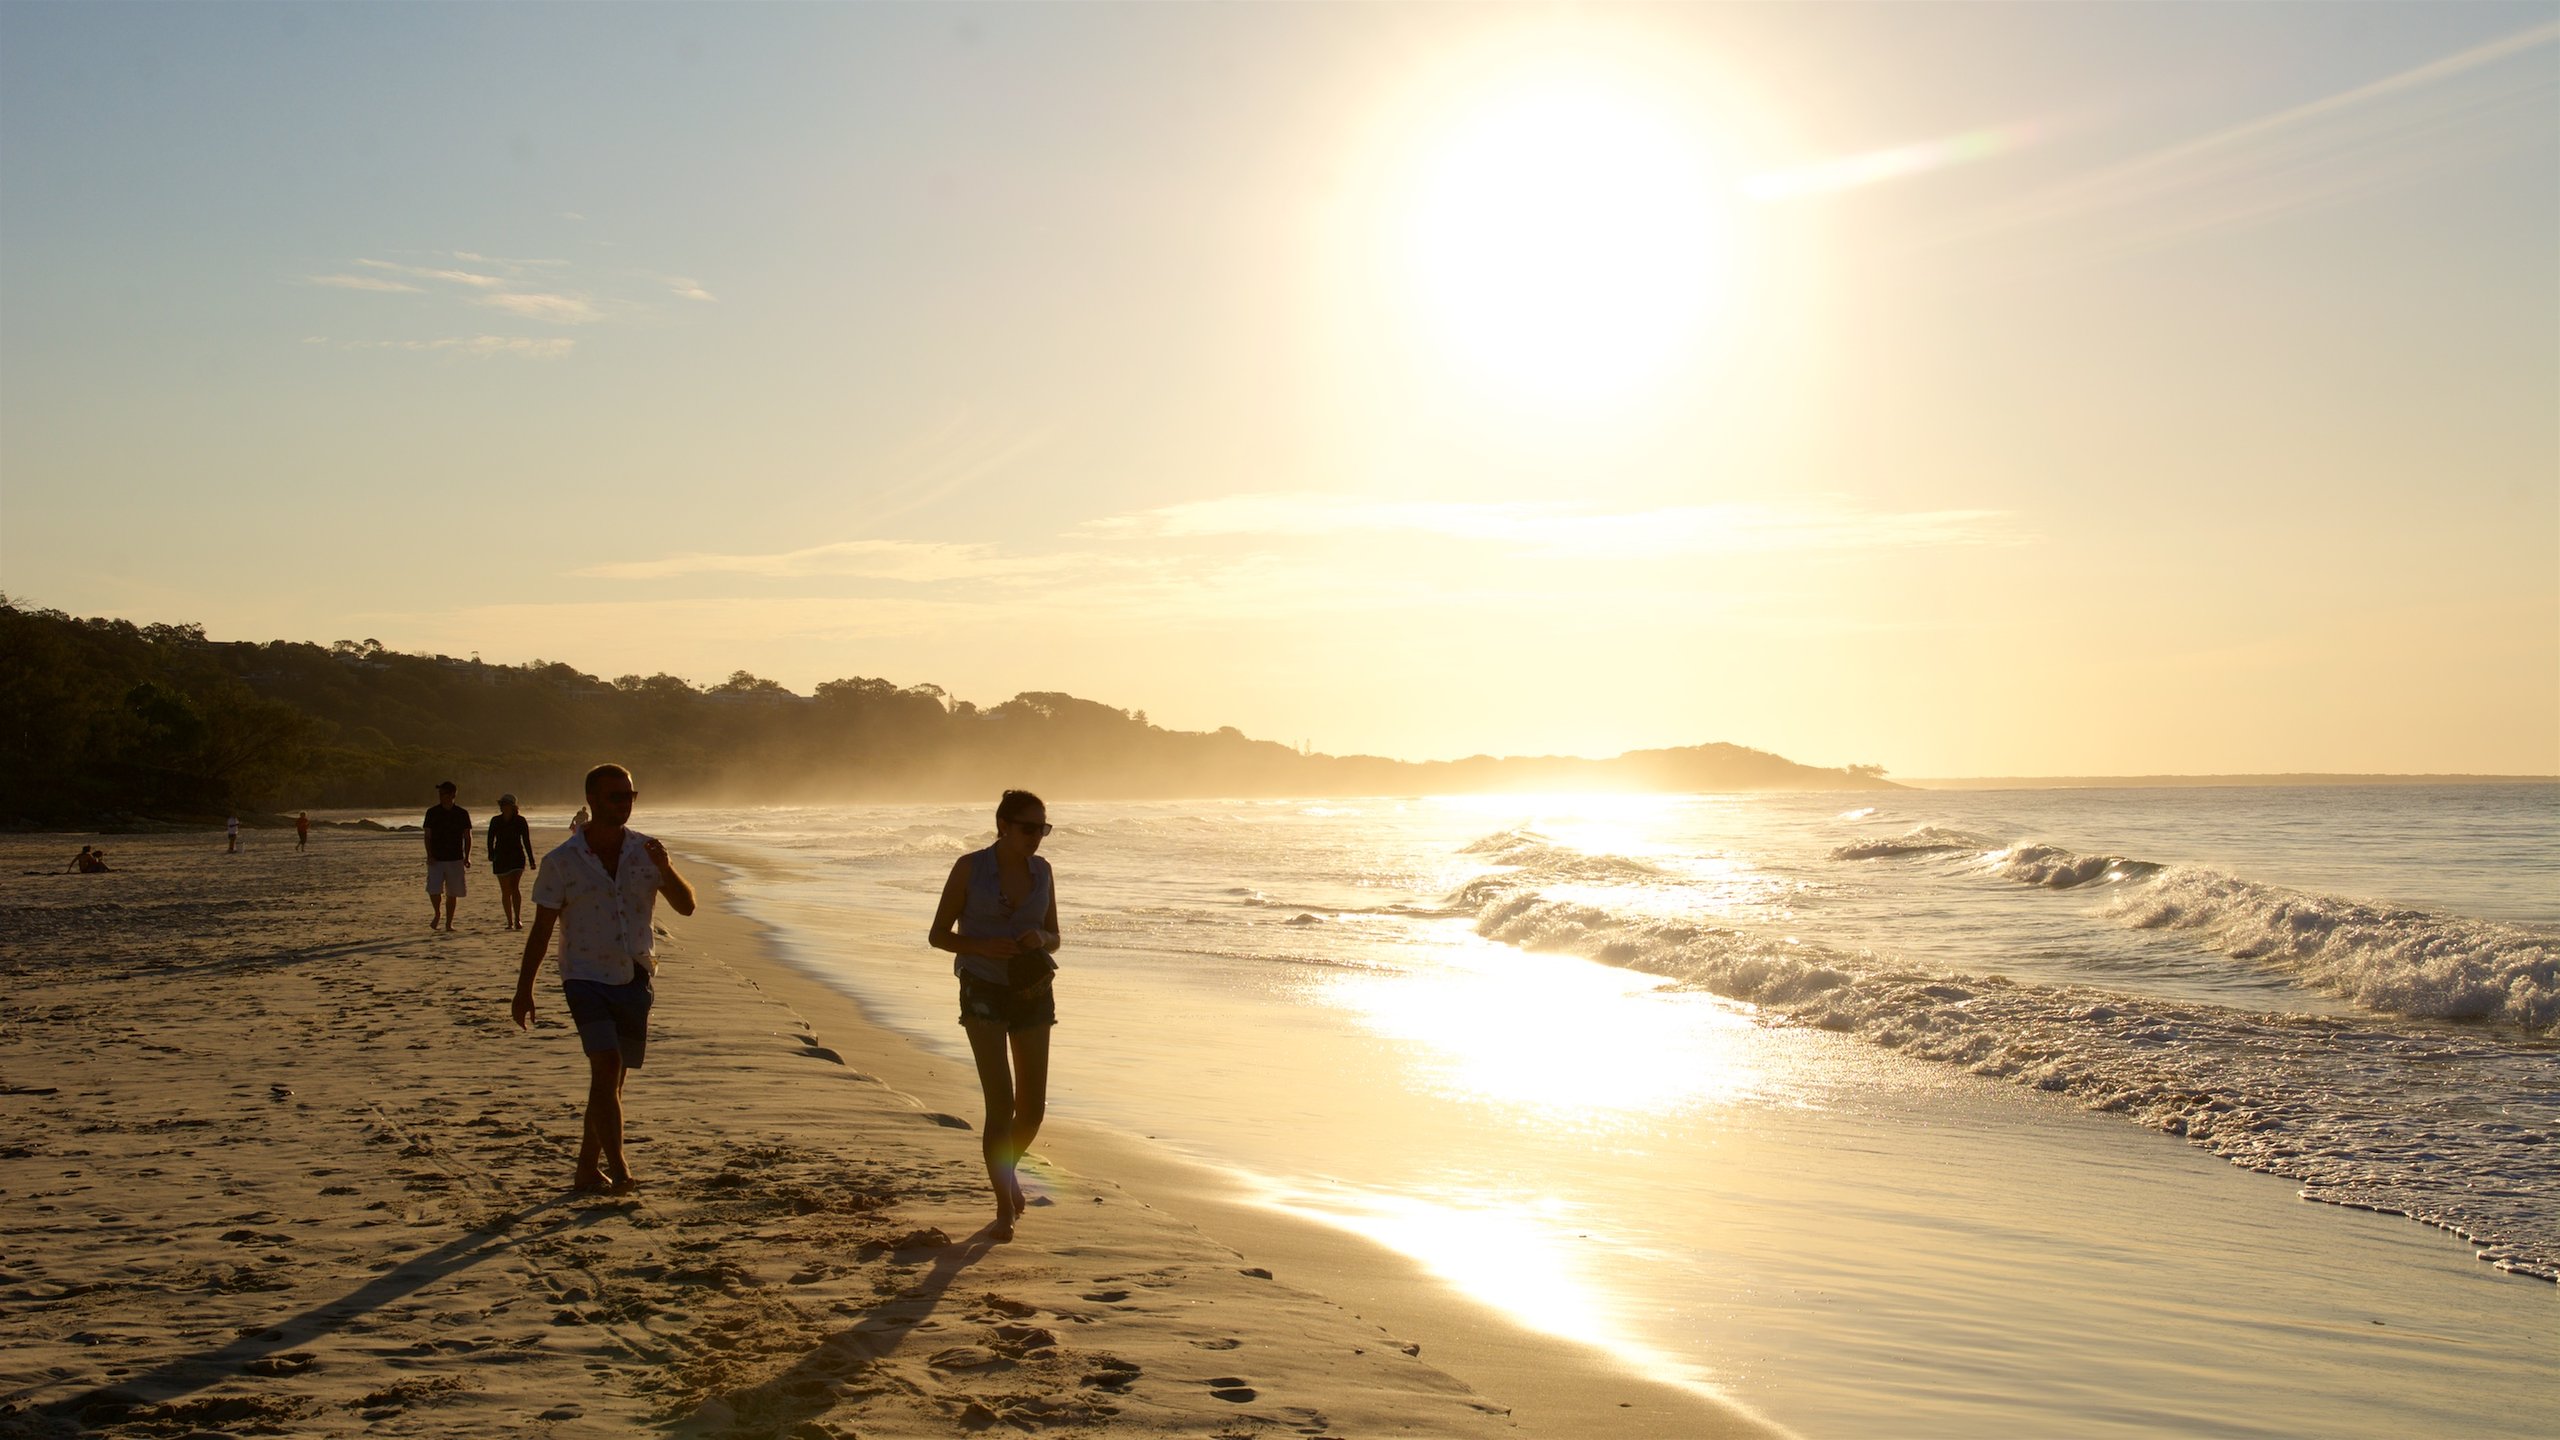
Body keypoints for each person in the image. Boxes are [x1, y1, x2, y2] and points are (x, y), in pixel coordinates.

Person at [512, 763, 697, 1194]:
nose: (626, 804)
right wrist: (524, 989)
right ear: (592, 800)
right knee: (607, 1064)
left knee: (612, 1080)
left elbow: (686, 907)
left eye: (630, 795)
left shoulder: (646, 851)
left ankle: (586, 1169)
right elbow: (541, 929)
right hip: (584, 976)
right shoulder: (562, 862)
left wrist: (665, 867)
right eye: (616, 796)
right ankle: (620, 1169)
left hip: (634, 974)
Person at [928, 789, 1060, 1241]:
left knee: (1033, 1110)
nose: (1036, 838)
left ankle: (1008, 1172)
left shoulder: (1042, 871)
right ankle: (1004, 1205)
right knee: (1000, 1105)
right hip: (982, 988)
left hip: (1034, 988)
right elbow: (938, 935)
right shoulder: (970, 867)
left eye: (1042, 829)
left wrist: (1038, 938)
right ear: (1003, 825)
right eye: (1028, 828)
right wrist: (982, 945)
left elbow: (1055, 936)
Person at [423, 781, 472, 931]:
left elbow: (467, 836)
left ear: (452, 795)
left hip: (455, 857)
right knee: (434, 889)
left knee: (453, 892)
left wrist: (467, 856)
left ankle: (449, 923)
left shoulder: (462, 813)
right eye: (439, 794)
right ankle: (437, 913)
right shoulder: (432, 812)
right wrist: (429, 854)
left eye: (443, 793)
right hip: (436, 858)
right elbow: (427, 835)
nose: (440, 796)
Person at [487, 794, 536, 930]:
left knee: (514, 887)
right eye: (502, 804)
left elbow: (526, 841)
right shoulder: (495, 820)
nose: (503, 807)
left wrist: (531, 860)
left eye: (506, 804)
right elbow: (490, 839)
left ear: (512, 806)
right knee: (505, 891)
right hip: (501, 857)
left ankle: (517, 918)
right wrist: (490, 854)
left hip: (517, 857)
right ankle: (509, 920)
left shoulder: (520, 821)